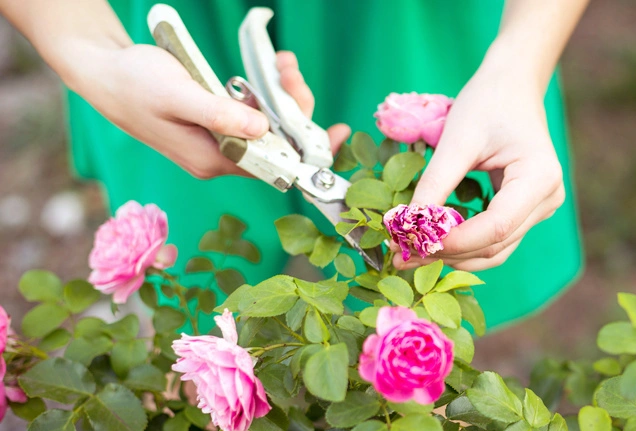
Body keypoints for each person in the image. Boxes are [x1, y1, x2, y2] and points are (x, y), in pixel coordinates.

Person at [1, 0, 588, 331]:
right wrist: (93, 54)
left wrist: (519, 63)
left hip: (404, 18)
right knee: (200, 346)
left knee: (419, 350)